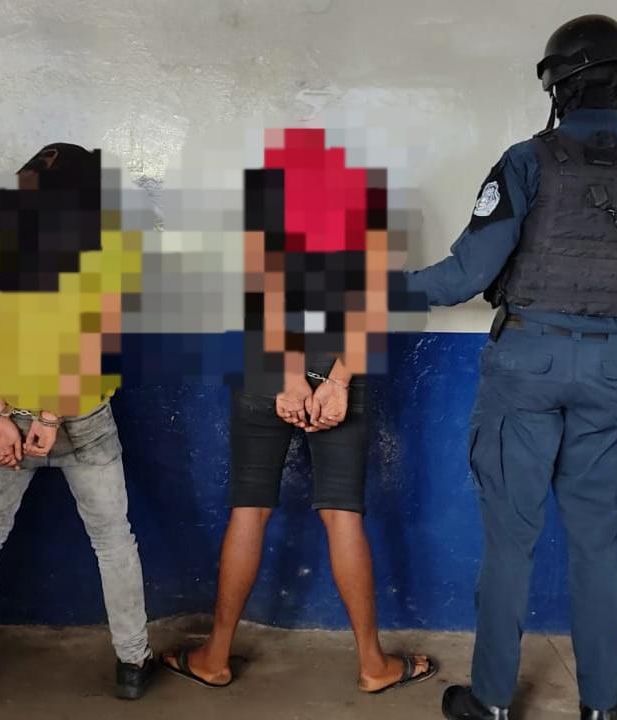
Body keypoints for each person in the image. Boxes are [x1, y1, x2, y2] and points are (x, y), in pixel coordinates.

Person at [405, 16, 617, 720]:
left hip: (526, 364)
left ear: (555, 86)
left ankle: (490, 702)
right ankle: (599, 705)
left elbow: (462, 276)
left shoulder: (525, 161)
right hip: (611, 369)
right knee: (597, 547)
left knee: (511, 543)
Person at [162, 128, 438, 696]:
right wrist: (335, 381)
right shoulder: (371, 222)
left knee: (249, 510)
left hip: (266, 371)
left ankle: (214, 657)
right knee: (343, 515)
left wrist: (289, 378)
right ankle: (372, 665)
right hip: (342, 368)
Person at [0, 143, 157, 701]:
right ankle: (133, 661)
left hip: (6, 413)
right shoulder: (110, 246)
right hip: (83, 416)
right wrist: (51, 416)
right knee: (112, 538)